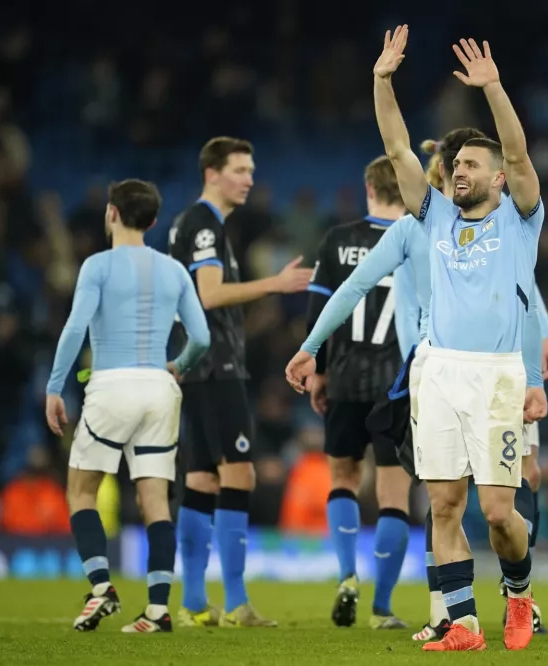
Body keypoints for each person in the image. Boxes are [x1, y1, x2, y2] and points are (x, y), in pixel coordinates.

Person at [367, 26, 546, 652]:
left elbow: (520, 155)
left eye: (471, 164)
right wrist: (382, 80)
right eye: (455, 165)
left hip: (496, 373)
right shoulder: (435, 214)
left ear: (497, 178)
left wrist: (494, 88)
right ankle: (464, 623)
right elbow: (396, 148)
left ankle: (518, 591)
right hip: (437, 370)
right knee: (443, 503)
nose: (458, 171)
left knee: (498, 511)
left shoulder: (520, 220)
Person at [45, 179, 211, 633]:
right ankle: (157, 611)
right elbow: (202, 338)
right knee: (155, 500)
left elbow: (75, 328)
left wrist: (55, 388)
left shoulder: (97, 266)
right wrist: (177, 366)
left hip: (111, 385)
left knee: (81, 490)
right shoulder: (174, 271)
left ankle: (102, 589)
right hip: (159, 386)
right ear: (154, 221)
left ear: (112, 213)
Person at [169, 137, 312, 628]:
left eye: (251, 170)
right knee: (240, 473)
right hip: (216, 366)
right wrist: (273, 284)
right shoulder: (204, 224)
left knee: (203, 476)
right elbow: (208, 296)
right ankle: (234, 603)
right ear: (212, 172)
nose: (249, 178)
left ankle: (191, 601)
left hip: (201, 366)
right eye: (240, 169)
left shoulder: (198, 226)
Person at [303, 156, 411, 630]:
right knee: (394, 496)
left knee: (342, 479)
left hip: (345, 379)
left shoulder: (337, 240)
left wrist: (318, 371)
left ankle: (347, 575)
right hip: (397, 384)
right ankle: (383, 607)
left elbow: (319, 308)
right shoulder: (416, 238)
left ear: (368, 185)